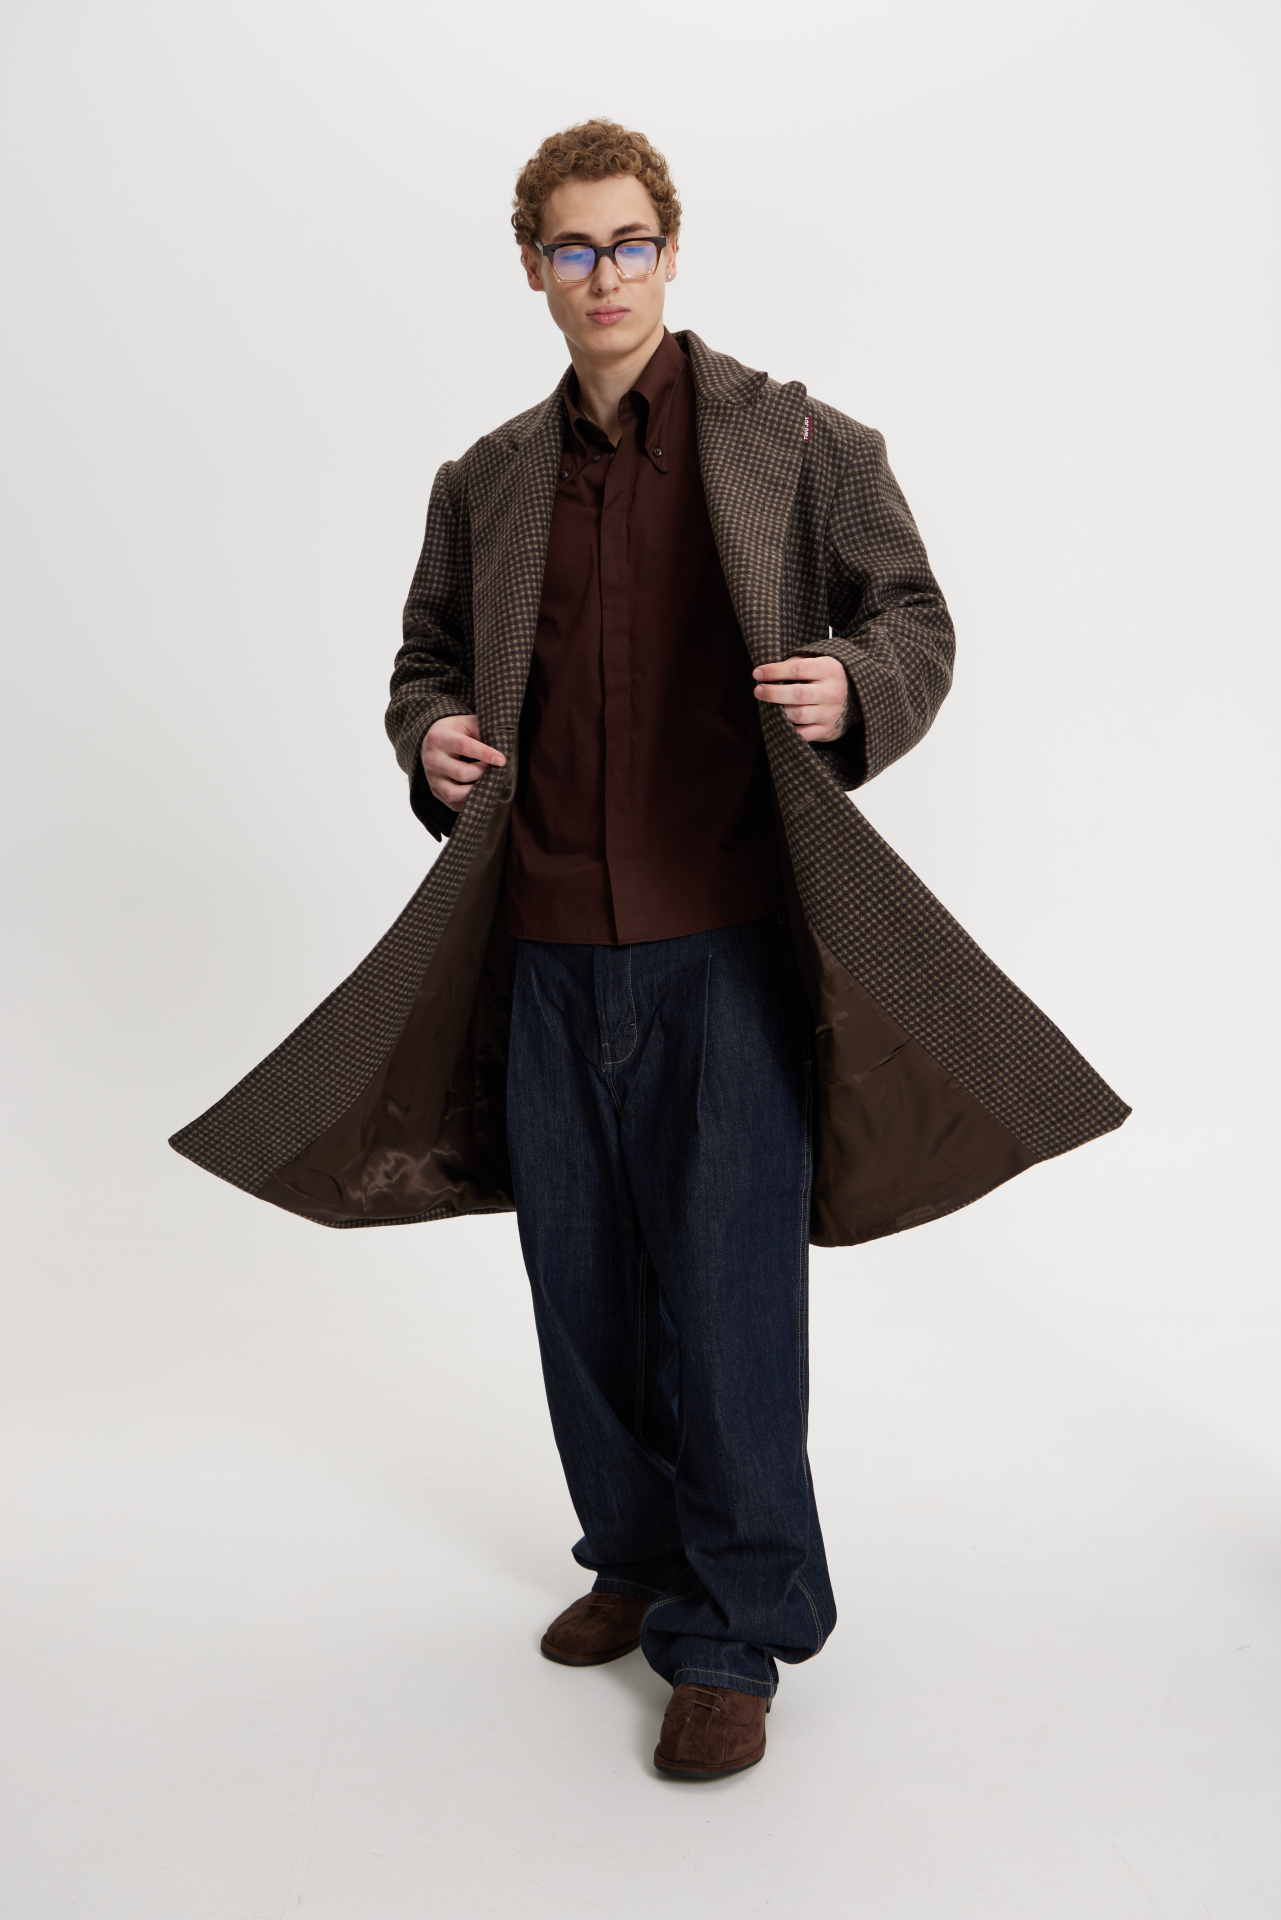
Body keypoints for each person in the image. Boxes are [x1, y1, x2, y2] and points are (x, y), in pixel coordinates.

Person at [171, 121, 1129, 1782]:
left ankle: (733, 1630)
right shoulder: (485, 480)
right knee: (583, 1292)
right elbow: (423, 661)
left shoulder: (797, 438)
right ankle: (634, 1553)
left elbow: (911, 615)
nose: (602, 274)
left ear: (669, 252)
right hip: (542, 949)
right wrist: (427, 735)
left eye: (627, 243)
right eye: (571, 248)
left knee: (729, 1298)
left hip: (727, 944)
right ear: (531, 269)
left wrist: (857, 685)